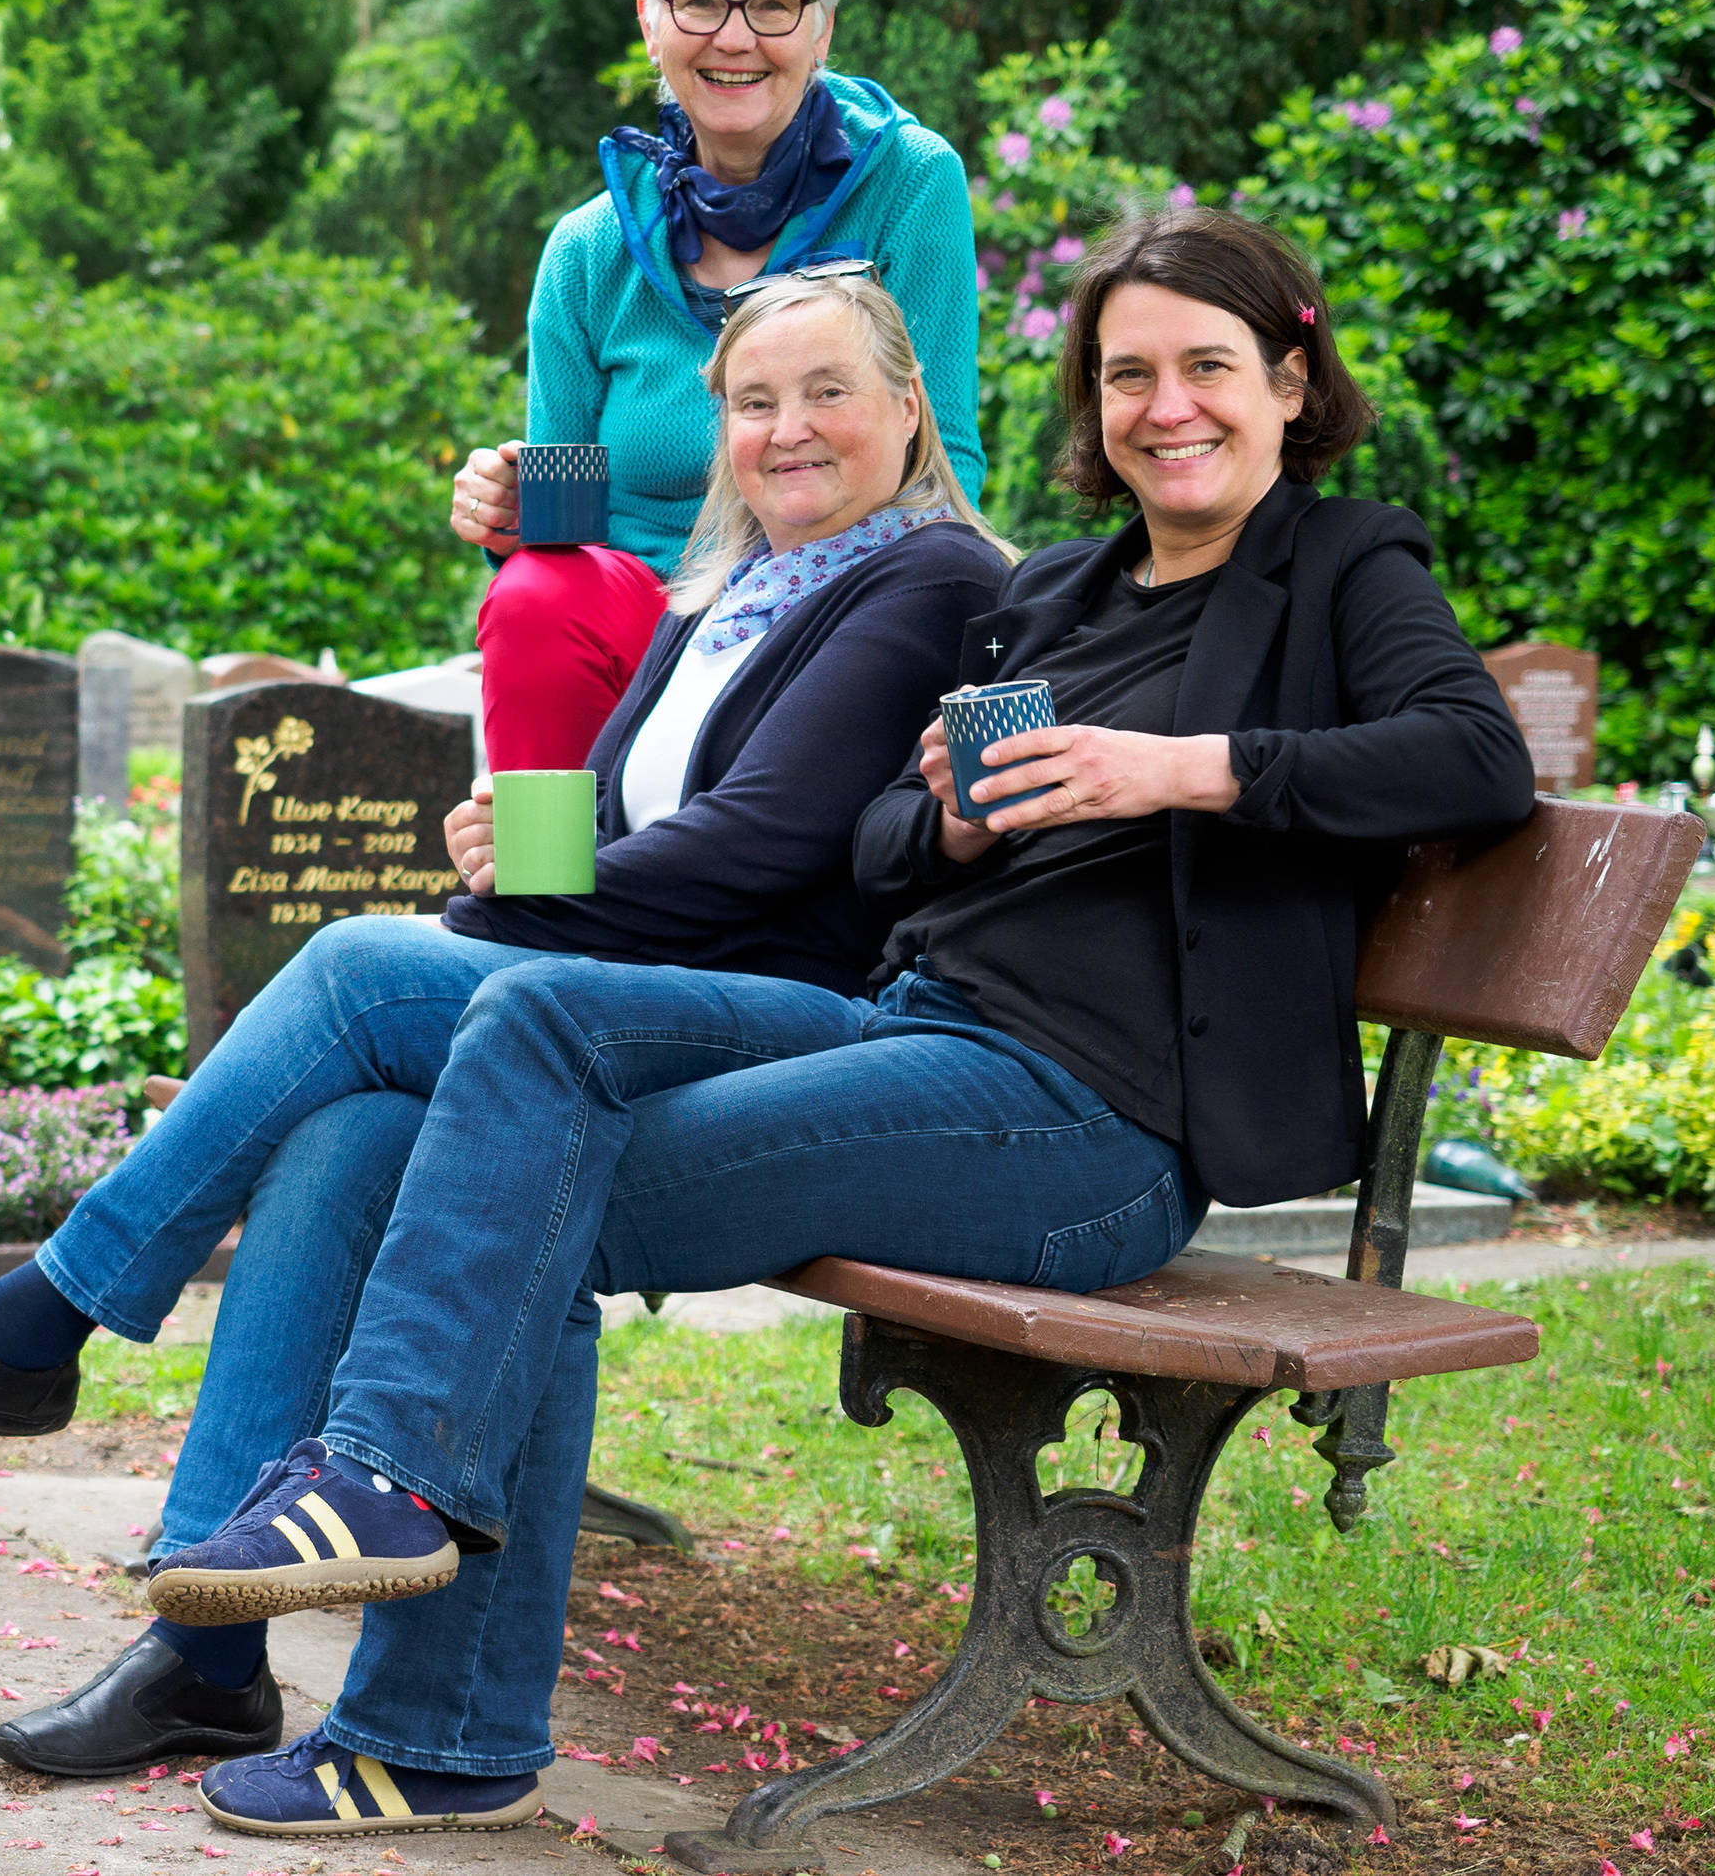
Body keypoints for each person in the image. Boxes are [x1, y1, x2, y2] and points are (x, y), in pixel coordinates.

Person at [77, 205, 1531, 1842]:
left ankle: (408, 1611)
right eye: (1130, 373)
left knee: (512, 1184)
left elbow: (1471, 761)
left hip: (1098, 1126)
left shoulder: (1339, 565)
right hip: (923, 1034)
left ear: (1287, 377)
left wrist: (1183, 769)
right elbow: (885, 854)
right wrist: (958, 825)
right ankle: (416, 1640)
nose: (1167, 407)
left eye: (1208, 368)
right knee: (441, 1111)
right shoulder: (1055, 596)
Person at [0, 268, 1014, 1780]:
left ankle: (40, 1321)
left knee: (366, 966)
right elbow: (652, 823)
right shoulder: (733, 590)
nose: (789, 428)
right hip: (637, 1000)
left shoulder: (928, 576)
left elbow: (768, 847)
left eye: (827, 392)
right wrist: (518, 846)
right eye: (754, 401)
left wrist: (510, 915)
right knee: (351, 1134)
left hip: (801, 1027)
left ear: (907, 406)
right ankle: (202, 1653)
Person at [450, 0, 987, 771]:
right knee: (539, 591)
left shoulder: (909, 185)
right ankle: (539, 884)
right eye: (698, 2)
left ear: (821, 29)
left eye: (774, 4)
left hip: (837, 616)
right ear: (650, 24)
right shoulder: (588, 251)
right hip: (646, 627)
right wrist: (513, 514)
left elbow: (947, 467)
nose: (734, 38)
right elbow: (557, 540)